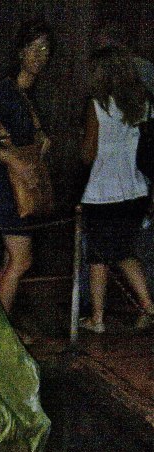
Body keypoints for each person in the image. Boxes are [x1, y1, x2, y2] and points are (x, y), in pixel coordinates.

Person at [0, 18, 53, 319]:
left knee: (11, 260)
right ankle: (2, 333)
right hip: (4, 186)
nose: (39, 56)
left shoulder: (26, 94)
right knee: (21, 260)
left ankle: (2, 328)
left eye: (44, 49)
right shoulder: (4, 91)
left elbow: (23, 135)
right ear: (20, 52)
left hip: (17, 186)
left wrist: (41, 140)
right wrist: (14, 160)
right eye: (33, 49)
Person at [80, 45, 154, 333]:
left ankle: (97, 319)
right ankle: (149, 305)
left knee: (98, 255)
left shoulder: (97, 105)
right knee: (123, 252)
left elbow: (88, 153)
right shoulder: (141, 104)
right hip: (134, 190)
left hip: (103, 192)